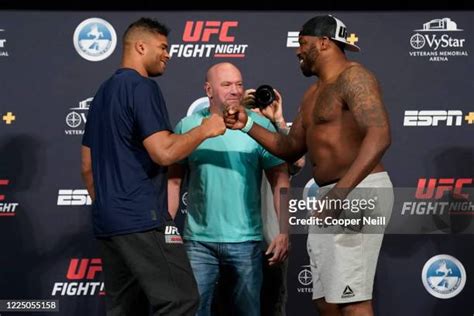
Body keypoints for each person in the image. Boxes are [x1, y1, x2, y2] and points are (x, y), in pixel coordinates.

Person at [224, 15, 394, 316]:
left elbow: (379, 135)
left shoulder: (354, 77)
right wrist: (247, 123)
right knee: (326, 300)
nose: (297, 51)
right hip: (333, 195)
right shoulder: (314, 93)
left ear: (324, 43)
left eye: (303, 43)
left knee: (351, 299)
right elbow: (289, 148)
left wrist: (340, 194)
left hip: (358, 191)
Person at [80, 17, 226, 316]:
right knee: (181, 300)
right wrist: (206, 129)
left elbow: (87, 166)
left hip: (109, 222)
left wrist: (111, 207)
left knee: (125, 309)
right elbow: (163, 152)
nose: (168, 54)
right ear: (140, 46)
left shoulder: (102, 94)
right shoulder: (141, 87)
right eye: (162, 47)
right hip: (142, 217)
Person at [167, 62, 290, 316]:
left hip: (247, 243)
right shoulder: (187, 126)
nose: (235, 90)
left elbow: (281, 180)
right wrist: (166, 229)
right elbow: (174, 181)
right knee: (193, 312)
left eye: (239, 84)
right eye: (226, 85)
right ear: (208, 90)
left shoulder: (259, 127)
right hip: (198, 243)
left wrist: (284, 230)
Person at [243, 89, 306, 316]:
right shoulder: (235, 132)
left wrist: (277, 120)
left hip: (271, 240)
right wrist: (243, 114)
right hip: (236, 240)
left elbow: (297, 160)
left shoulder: (277, 138)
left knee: (272, 308)